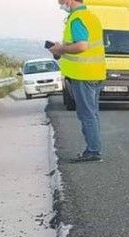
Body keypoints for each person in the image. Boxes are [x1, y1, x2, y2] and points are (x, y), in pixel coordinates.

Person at [49, 0, 106, 162]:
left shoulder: (77, 19)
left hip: (83, 75)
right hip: (95, 73)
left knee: (86, 114)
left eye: (60, 1)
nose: (60, 3)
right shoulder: (91, 16)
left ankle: (93, 152)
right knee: (92, 113)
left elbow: (81, 46)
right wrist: (62, 49)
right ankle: (94, 149)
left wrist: (60, 49)